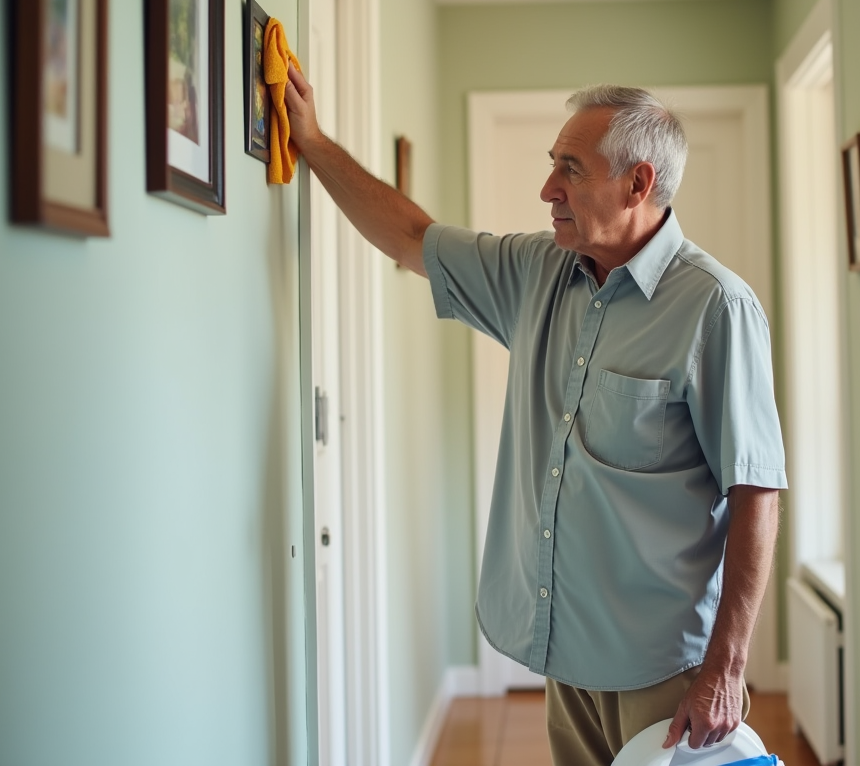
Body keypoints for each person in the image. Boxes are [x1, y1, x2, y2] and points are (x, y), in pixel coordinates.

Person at [283, 65, 787, 766]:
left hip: (665, 673)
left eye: (570, 170)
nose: (548, 189)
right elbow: (410, 237)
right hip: (565, 652)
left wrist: (727, 667)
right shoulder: (537, 271)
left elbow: (756, 489)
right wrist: (311, 142)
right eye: (554, 166)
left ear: (637, 183)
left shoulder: (716, 307)